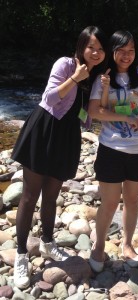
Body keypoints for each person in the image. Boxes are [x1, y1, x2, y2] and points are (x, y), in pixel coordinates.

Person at [11, 26, 107, 289]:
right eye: (91, 47)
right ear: (81, 46)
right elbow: (50, 98)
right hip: (44, 129)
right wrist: (75, 78)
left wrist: (100, 99)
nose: (96, 53)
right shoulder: (66, 64)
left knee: (52, 196)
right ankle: (21, 254)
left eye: (100, 49)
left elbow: (85, 118)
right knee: (30, 196)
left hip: (66, 136)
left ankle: (48, 243)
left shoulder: (95, 76)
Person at [88, 30, 138, 272]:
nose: (127, 55)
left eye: (131, 51)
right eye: (122, 51)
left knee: (132, 200)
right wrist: (126, 117)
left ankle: (127, 244)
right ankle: (98, 246)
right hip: (111, 148)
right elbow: (95, 112)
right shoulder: (103, 78)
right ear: (113, 52)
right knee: (108, 203)